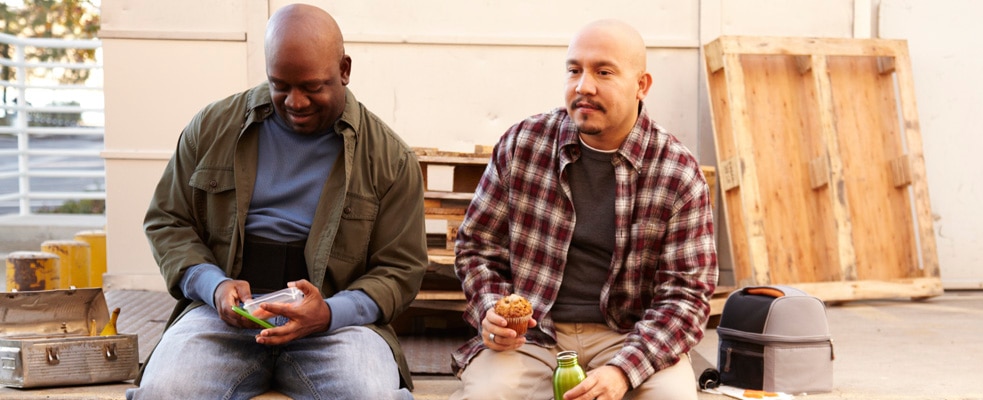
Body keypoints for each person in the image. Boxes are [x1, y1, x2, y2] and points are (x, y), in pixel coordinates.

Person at [131, 4, 426, 399]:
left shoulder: (390, 159)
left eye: (312, 87)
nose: (295, 102)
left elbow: (400, 268)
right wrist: (213, 286)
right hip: (221, 320)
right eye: (280, 84)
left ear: (344, 70)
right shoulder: (213, 128)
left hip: (336, 327)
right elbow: (168, 221)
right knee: (166, 391)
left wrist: (328, 314)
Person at [451, 19, 718, 400]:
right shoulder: (522, 144)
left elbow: (687, 296)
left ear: (642, 85)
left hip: (629, 336)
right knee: (485, 395)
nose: (583, 86)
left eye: (603, 72)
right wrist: (491, 308)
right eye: (574, 70)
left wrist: (624, 370)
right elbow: (476, 246)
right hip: (533, 336)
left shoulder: (677, 172)